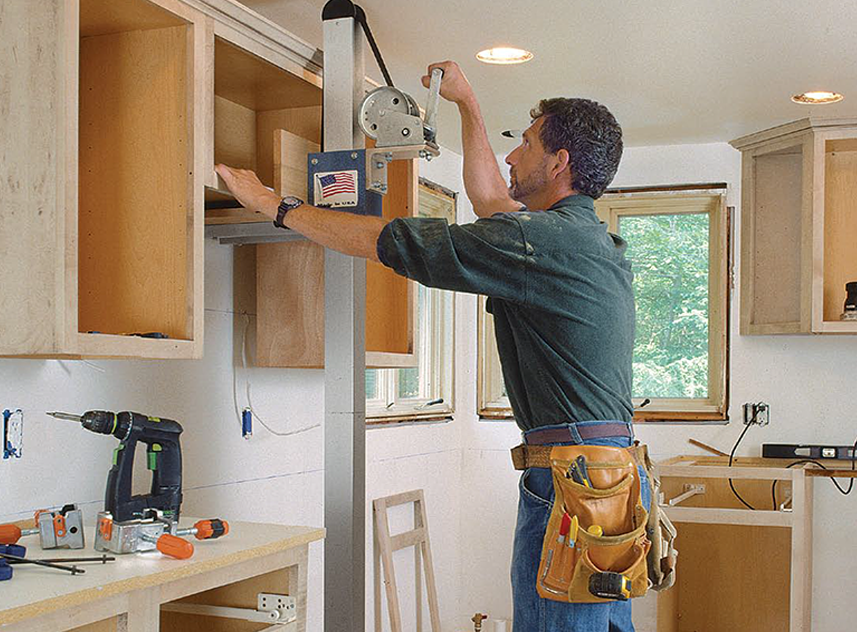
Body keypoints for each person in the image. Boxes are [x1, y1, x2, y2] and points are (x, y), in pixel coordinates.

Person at [216, 60, 644, 632]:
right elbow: (492, 196)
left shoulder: (538, 242)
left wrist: (275, 204)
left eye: (526, 143)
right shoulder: (589, 240)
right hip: (612, 476)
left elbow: (384, 239)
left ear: (560, 162)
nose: (512, 156)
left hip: (571, 481)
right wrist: (468, 105)